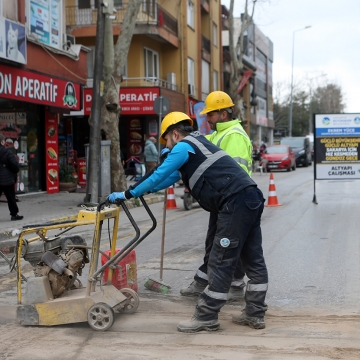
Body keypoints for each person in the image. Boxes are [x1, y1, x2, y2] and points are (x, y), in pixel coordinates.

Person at [107, 112, 268, 332]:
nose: (168, 146)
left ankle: (206, 316)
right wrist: (146, 191)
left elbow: (157, 173)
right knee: (253, 257)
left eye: (167, 141)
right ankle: (255, 314)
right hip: (250, 197)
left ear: (174, 134)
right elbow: (167, 178)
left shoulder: (184, 146)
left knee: (220, 260)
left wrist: (127, 194)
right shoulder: (198, 145)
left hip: (234, 202)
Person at [179, 91, 253, 300]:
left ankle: (209, 283)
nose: (207, 118)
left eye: (210, 114)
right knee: (226, 243)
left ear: (223, 113)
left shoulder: (234, 135)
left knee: (220, 243)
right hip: (224, 200)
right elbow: (199, 144)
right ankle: (231, 284)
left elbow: (234, 173)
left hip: (230, 199)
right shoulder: (219, 134)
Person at [0, 133, 23, 224]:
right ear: (2, 142)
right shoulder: (7, 152)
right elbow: (15, 165)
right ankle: (14, 215)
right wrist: (13, 170)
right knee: (11, 197)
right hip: (7, 178)